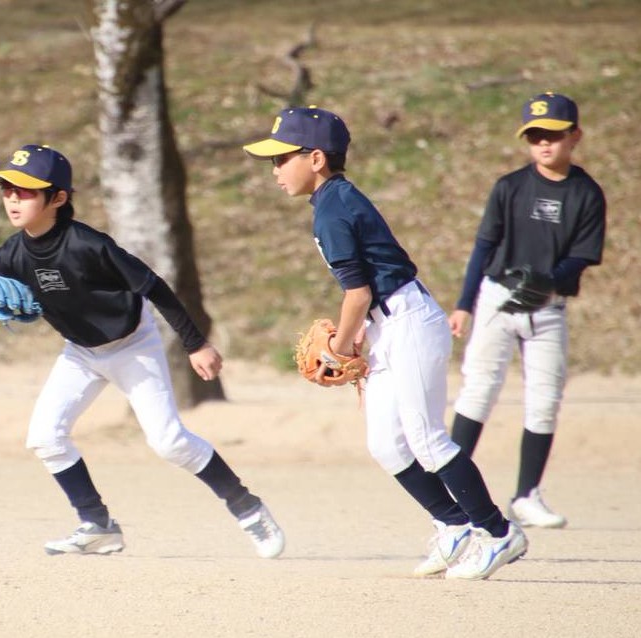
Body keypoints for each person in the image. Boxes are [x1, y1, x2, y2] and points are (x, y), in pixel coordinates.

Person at [0, 144, 285, 559]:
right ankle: (98, 526)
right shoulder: (11, 253)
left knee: (168, 442)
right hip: (80, 351)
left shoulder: (88, 245)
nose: (12, 198)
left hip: (133, 345)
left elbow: (154, 286)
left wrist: (195, 343)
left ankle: (248, 507)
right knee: (44, 437)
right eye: (7, 189)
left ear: (58, 198)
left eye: (25, 190)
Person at [243, 107, 527, 579]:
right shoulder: (332, 201)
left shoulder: (333, 209)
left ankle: (498, 533)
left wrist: (341, 347)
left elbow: (358, 293)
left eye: (281, 159)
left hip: (408, 323)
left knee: (427, 439)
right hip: (387, 326)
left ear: (316, 159)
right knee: (386, 444)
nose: (274, 170)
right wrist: (358, 337)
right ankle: (452, 524)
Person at [448, 92, 606, 529]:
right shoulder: (510, 187)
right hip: (499, 296)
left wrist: (550, 281)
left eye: (554, 134)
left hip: (549, 305)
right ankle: (452, 489)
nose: (544, 143)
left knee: (544, 399)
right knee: (478, 389)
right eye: (535, 135)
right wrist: (464, 304)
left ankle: (526, 493)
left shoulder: (586, 193)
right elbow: (484, 246)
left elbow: (584, 253)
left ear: (575, 136)